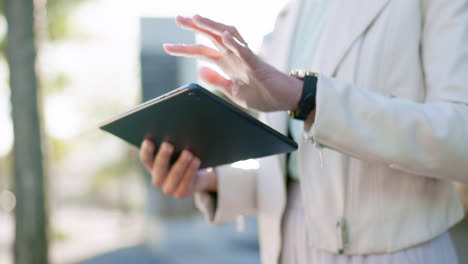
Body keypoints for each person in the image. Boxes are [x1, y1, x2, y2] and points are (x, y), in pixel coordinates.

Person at [139, 0, 468, 263]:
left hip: (395, 252)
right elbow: (301, 170)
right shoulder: (291, 12)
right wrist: (211, 181)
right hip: (286, 249)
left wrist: (306, 97)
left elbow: (461, 138)